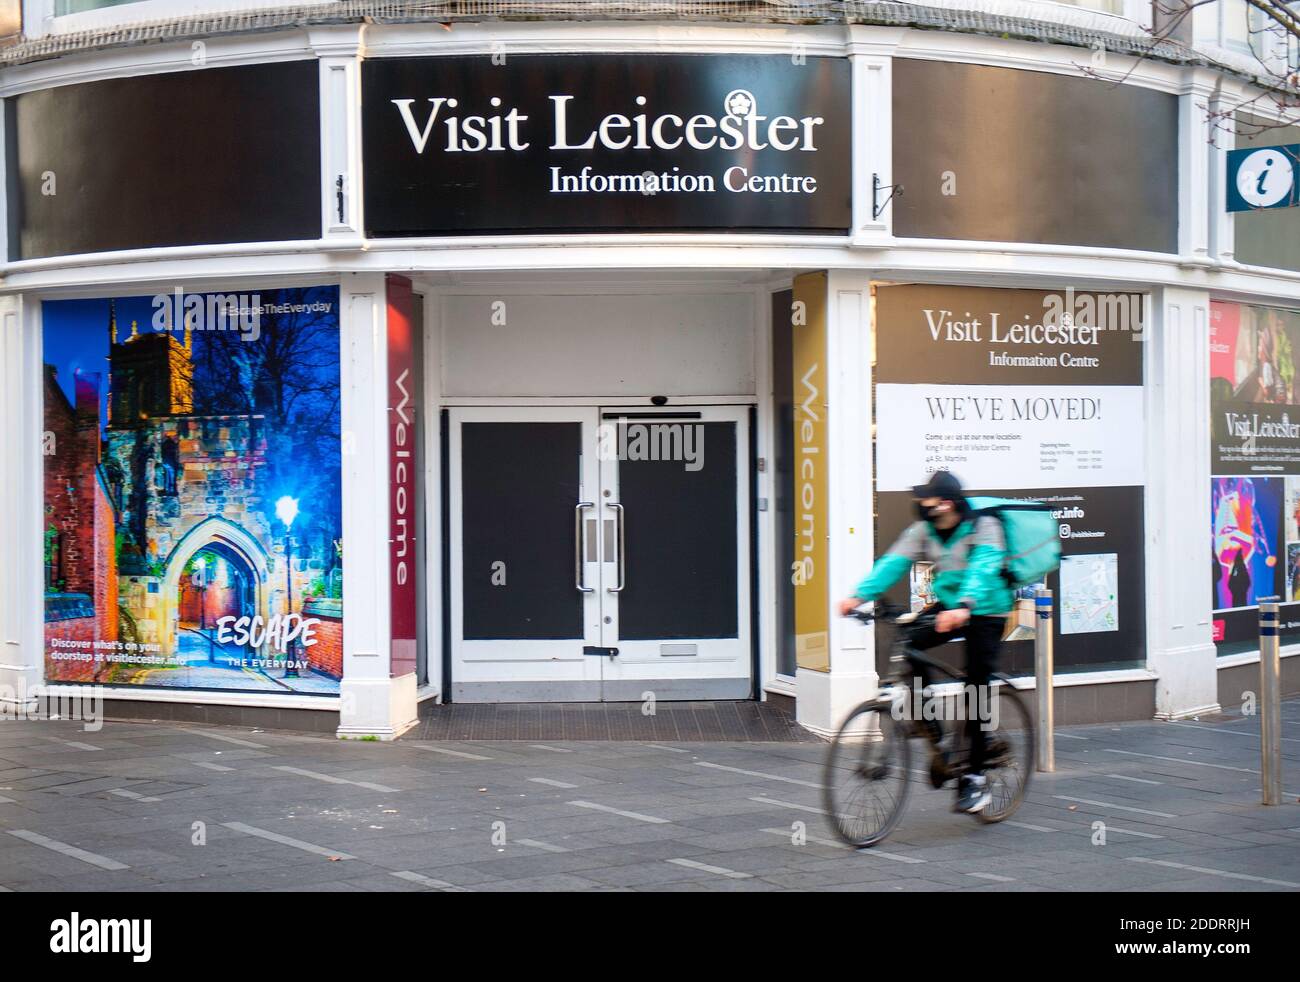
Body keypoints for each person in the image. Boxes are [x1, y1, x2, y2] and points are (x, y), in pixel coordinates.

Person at [837, 471, 1013, 814]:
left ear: (945, 503)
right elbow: (893, 562)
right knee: (909, 645)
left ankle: (975, 780)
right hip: (950, 605)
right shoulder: (925, 530)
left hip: (987, 609)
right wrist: (859, 596)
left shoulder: (984, 526)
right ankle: (941, 740)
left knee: (976, 687)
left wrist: (966, 605)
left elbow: (984, 568)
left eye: (927, 498)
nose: (920, 503)